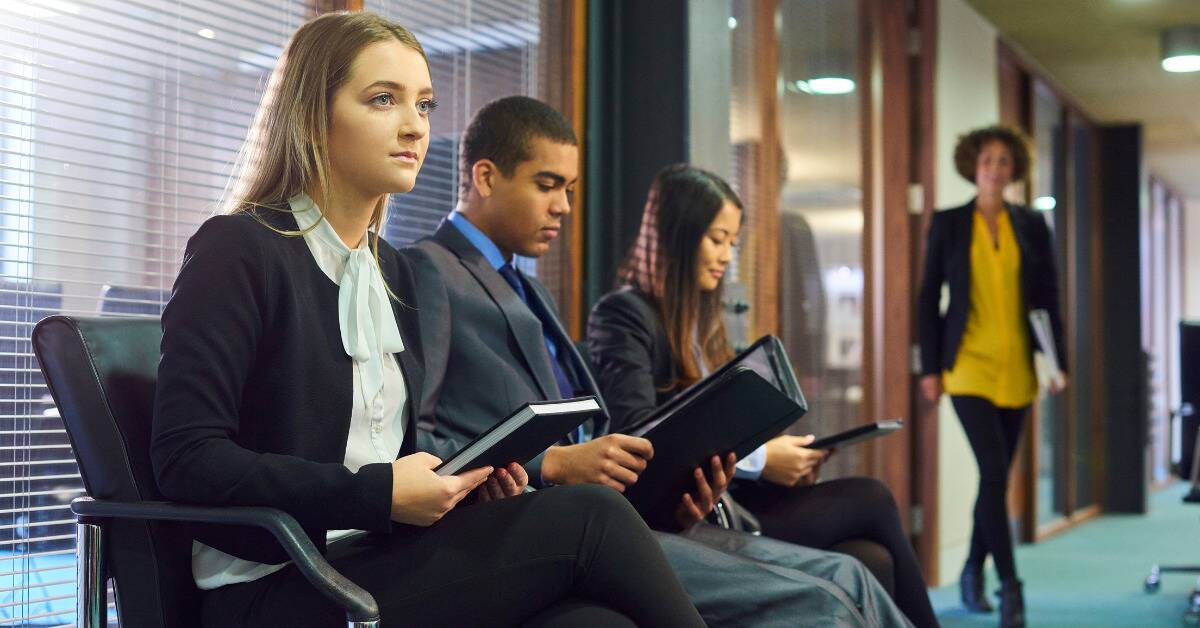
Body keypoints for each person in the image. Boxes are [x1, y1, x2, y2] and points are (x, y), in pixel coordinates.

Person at [148, 12, 703, 628]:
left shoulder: (393, 268)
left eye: (425, 104)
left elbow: (392, 450)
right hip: (280, 584)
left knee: (595, 625)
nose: (416, 126)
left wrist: (458, 485)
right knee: (593, 517)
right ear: (312, 115)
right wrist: (379, 495)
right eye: (383, 100)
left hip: (375, 555)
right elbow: (187, 459)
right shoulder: (238, 248)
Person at [403, 95, 911, 627]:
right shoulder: (431, 269)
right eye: (547, 185)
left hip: (615, 512)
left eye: (570, 190)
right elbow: (420, 438)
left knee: (848, 578)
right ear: (485, 177)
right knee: (824, 601)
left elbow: (591, 433)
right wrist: (551, 463)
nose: (564, 207)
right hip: (538, 525)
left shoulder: (531, 291)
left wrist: (676, 488)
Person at [587, 163, 940, 628]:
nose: (726, 256)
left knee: (872, 553)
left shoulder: (701, 322)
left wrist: (777, 461)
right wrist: (760, 456)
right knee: (871, 501)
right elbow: (640, 431)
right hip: (686, 515)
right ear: (678, 236)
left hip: (729, 496)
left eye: (732, 243)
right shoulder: (624, 315)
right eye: (717, 239)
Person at [917, 125, 1068, 628]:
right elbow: (927, 298)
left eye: (1004, 161)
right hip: (968, 367)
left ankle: (969, 572)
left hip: (1019, 369)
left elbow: (1047, 299)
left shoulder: (1031, 224)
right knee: (996, 473)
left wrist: (1057, 362)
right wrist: (930, 368)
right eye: (987, 160)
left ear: (1013, 169)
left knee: (993, 477)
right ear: (972, 165)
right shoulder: (949, 223)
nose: (995, 169)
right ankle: (1010, 588)